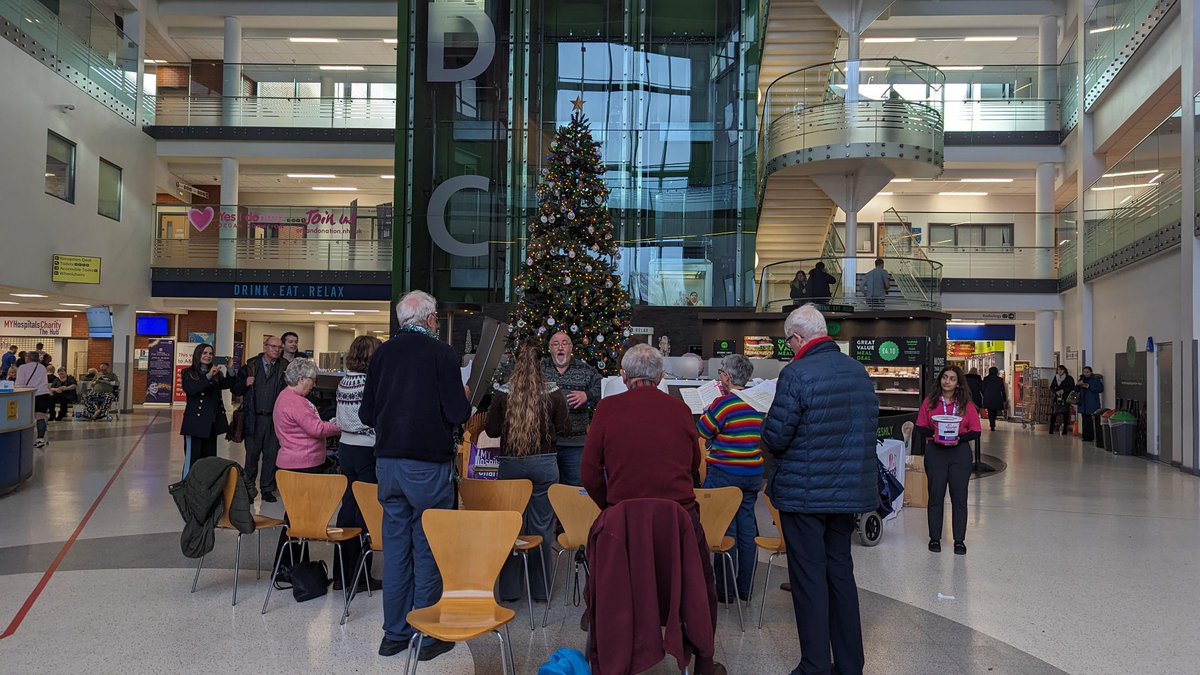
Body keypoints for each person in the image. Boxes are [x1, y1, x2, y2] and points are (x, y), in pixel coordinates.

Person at [582, 343, 723, 675]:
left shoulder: (607, 409)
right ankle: (704, 662)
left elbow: (588, 472)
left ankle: (608, 656)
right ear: (661, 377)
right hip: (678, 522)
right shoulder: (678, 410)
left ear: (623, 376)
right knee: (703, 584)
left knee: (608, 578)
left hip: (623, 528)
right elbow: (694, 465)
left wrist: (614, 508)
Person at [760, 304, 878, 675]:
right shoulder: (857, 371)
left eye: (788, 342)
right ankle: (849, 664)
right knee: (840, 574)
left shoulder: (796, 374)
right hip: (847, 494)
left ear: (797, 338)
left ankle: (814, 665)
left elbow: (777, 437)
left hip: (805, 494)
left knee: (809, 579)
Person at [359, 291, 470, 661]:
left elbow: (366, 414)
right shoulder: (442, 354)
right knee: (427, 547)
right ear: (430, 319)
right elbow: (457, 412)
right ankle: (425, 635)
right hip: (427, 466)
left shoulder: (383, 354)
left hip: (387, 464)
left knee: (395, 549)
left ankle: (393, 636)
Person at [485, 340, 571, 602]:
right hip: (545, 464)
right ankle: (541, 590)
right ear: (541, 364)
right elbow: (565, 428)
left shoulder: (503, 394)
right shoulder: (554, 392)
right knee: (542, 527)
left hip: (511, 466)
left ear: (515, 363)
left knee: (513, 525)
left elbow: (491, 430)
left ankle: (510, 591)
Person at [697, 353, 764, 604]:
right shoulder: (758, 402)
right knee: (748, 529)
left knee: (726, 529)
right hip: (752, 474)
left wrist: (707, 412)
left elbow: (703, 431)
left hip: (725, 474)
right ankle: (745, 588)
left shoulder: (722, 404)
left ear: (726, 377)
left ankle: (726, 591)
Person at [271, 358, 341, 577]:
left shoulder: (284, 396)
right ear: (301, 379)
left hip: (290, 462)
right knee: (299, 519)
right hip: (303, 464)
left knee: (295, 517)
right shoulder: (296, 402)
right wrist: (340, 426)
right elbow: (316, 429)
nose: (314, 383)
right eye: (312, 379)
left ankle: (293, 565)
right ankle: (288, 567)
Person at [333, 334, 383, 592]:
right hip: (366, 448)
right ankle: (361, 576)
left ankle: (341, 573)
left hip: (346, 447)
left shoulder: (344, 380)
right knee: (365, 510)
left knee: (348, 507)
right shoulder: (370, 383)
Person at [916, 365, 982, 556]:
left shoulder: (966, 405)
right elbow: (920, 427)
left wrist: (958, 439)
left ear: (958, 383)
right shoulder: (930, 402)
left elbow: (976, 431)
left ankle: (959, 541)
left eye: (952, 378)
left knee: (959, 498)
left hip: (959, 454)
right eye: (945, 377)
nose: (947, 381)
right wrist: (935, 435)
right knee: (935, 495)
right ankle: (934, 538)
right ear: (940, 380)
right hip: (936, 452)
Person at [231, 336, 287, 502]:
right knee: (252, 456)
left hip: (274, 418)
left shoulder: (284, 367)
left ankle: (267, 489)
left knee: (271, 454)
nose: (276, 350)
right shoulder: (250, 366)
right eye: (273, 346)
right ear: (265, 346)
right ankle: (248, 489)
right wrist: (245, 383)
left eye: (279, 347)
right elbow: (235, 389)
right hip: (253, 417)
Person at [543, 331, 602, 487]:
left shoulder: (584, 369)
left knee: (574, 490)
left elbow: (604, 386)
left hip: (576, 444)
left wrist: (587, 395)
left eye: (564, 343)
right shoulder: (539, 368)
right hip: (545, 444)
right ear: (550, 348)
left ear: (571, 348)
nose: (560, 347)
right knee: (547, 489)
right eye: (555, 344)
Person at [180, 343, 232, 478]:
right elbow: (191, 390)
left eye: (210, 353)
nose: (208, 356)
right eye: (204, 353)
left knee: (209, 460)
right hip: (194, 424)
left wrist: (230, 369)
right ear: (198, 355)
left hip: (211, 424)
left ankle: (205, 490)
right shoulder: (188, 373)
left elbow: (228, 385)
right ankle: (186, 488)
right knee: (192, 459)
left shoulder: (217, 374)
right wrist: (208, 376)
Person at [16, 351, 51, 448]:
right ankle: (41, 439)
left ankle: (25, 438)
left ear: (28, 358)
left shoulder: (22, 368)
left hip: (30, 394)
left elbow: (19, 384)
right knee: (41, 416)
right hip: (44, 394)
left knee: (26, 417)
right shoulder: (42, 367)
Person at [1076, 367, 1105, 442]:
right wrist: (1077, 385)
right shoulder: (1081, 379)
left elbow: (1100, 389)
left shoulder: (1095, 380)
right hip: (1083, 403)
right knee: (1084, 420)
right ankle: (1085, 436)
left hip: (1092, 403)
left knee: (1091, 421)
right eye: (1084, 372)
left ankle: (1093, 436)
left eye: (1087, 372)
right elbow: (1075, 390)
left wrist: (1089, 387)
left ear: (1091, 372)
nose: (1085, 373)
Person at [1048, 365, 1076, 436]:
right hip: (1057, 398)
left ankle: (1065, 430)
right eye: (1058, 370)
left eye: (1061, 370)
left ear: (1064, 370)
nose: (1059, 371)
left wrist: (1064, 391)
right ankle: (1051, 429)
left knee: (1065, 413)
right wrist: (1055, 391)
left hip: (1065, 398)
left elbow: (1072, 388)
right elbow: (1051, 387)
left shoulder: (1069, 378)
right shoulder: (1056, 377)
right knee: (1054, 413)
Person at [981, 366, 1007, 431]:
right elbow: (1002, 389)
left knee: (990, 411)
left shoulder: (986, 378)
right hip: (997, 397)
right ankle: (993, 423)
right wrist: (1004, 398)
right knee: (994, 411)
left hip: (988, 397)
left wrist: (984, 394)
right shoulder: (999, 379)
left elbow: (982, 388)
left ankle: (992, 424)